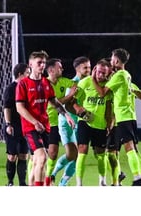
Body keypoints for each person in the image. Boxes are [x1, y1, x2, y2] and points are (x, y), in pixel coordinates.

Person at [16, 50, 75, 186]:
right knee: (42, 157)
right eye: (39, 62)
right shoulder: (23, 84)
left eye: (43, 62)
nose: (42, 65)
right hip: (31, 127)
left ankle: (32, 185)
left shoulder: (46, 83)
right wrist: (35, 122)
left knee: (38, 161)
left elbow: (55, 103)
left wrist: (66, 115)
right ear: (30, 64)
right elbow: (20, 108)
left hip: (45, 126)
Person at [97, 48, 141, 186]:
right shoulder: (126, 75)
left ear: (116, 60)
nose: (111, 60)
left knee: (129, 148)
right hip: (129, 116)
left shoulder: (119, 75)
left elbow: (102, 92)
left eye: (112, 58)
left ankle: (137, 179)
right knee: (133, 149)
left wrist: (93, 78)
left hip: (122, 117)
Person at [71, 58, 113, 186]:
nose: (101, 75)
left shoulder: (109, 86)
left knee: (101, 154)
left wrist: (109, 122)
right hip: (85, 121)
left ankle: (102, 181)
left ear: (108, 73)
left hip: (100, 124)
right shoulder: (84, 83)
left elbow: (108, 107)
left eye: (104, 73)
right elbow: (72, 101)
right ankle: (79, 183)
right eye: (99, 72)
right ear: (95, 70)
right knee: (82, 150)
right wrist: (79, 109)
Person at [50, 55, 91, 186]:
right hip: (66, 122)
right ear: (78, 69)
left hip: (81, 123)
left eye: (89, 67)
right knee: (71, 154)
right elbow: (62, 104)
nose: (88, 70)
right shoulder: (72, 83)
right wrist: (72, 97)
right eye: (85, 67)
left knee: (78, 155)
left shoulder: (90, 83)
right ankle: (53, 174)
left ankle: (63, 182)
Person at [45, 58, 78, 186]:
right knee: (39, 154)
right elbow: (55, 103)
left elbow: (76, 85)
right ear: (51, 70)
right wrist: (70, 96)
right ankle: (38, 178)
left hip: (57, 122)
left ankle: (48, 178)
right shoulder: (45, 83)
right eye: (60, 67)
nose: (62, 69)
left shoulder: (63, 81)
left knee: (53, 153)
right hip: (44, 122)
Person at [3, 63, 31, 186]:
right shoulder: (11, 88)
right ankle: (10, 182)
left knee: (24, 155)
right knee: (12, 156)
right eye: (27, 73)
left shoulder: (28, 87)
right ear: (20, 74)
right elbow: (7, 107)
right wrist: (8, 124)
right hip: (13, 126)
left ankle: (22, 183)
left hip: (26, 126)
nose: (29, 75)